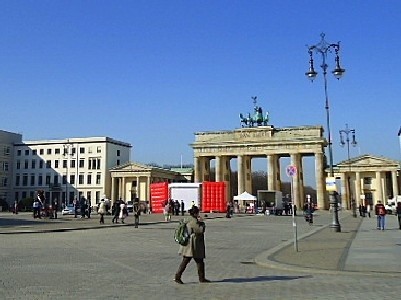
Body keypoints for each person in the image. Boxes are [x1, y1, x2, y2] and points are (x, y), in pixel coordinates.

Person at [174, 206, 210, 284]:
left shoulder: (188, 219)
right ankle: (178, 276)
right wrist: (202, 223)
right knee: (197, 261)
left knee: (189, 261)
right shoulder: (193, 221)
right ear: (195, 213)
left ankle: (178, 276)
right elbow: (200, 230)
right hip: (193, 245)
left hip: (189, 244)